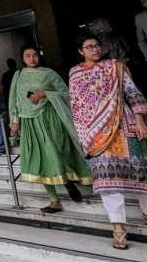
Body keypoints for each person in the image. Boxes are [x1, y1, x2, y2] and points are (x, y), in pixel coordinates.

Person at [69, 35, 147, 250]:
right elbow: (77, 107)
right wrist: (87, 134)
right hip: (96, 135)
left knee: (139, 169)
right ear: (80, 51)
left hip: (125, 124)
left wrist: (140, 121)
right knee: (107, 180)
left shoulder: (115, 66)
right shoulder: (75, 73)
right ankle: (118, 229)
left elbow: (132, 92)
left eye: (97, 45)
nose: (95, 49)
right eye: (89, 47)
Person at [9, 46, 92, 213]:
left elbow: (67, 93)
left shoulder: (49, 73)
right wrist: (14, 121)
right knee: (39, 158)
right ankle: (54, 200)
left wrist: (46, 93)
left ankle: (69, 180)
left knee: (56, 152)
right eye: (27, 56)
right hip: (29, 122)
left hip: (51, 119)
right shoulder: (18, 75)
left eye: (35, 55)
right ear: (22, 58)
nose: (32, 58)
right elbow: (14, 99)